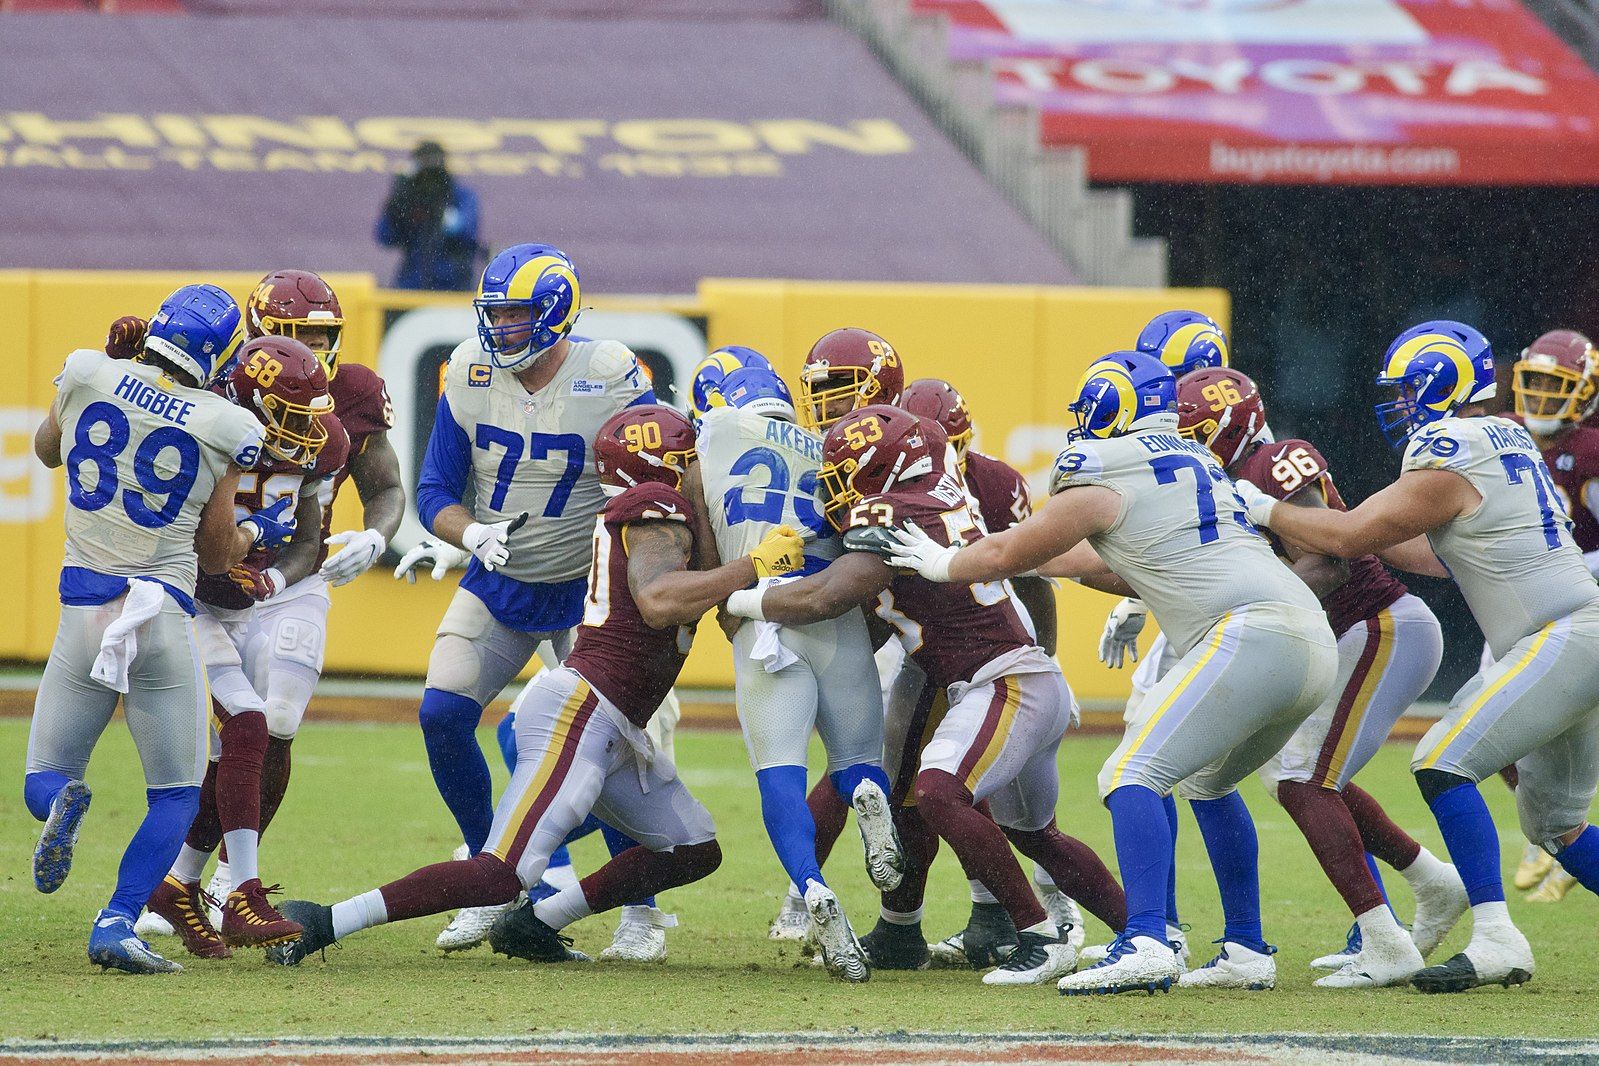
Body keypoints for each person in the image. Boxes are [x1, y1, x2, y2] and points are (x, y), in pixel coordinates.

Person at [270, 406, 806, 966]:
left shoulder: (665, 509)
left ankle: (536, 924)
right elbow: (657, 600)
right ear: (666, 464)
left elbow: (698, 585)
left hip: (613, 718)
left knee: (692, 849)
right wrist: (754, 566)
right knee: (501, 873)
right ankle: (326, 919)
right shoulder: (657, 506)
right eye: (689, 456)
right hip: (583, 711)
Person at [881, 350, 1338, 996]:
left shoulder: (1101, 464)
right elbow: (1127, 565)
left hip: (1249, 633)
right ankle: (1243, 948)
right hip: (1307, 638)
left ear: (1111, 404)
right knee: (1205, 784)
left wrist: (940, 562)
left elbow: (1015, 548)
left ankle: (1148, 938)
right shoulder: (1193, 462)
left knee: (1128, 773)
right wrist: (1043, 566)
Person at [1236, 320, 1599, 993]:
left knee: (1440, 759)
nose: (1397, 401)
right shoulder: (1503, 435)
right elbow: (1432, 554)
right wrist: (1340, 531)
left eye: (1406, 386)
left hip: (1562, 633)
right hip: (1572, 631)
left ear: (1440, 379)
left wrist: (1264, 509)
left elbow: (1348, 535)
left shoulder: (1450, 444)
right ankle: (1491, 932)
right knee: (1557, 825)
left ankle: (1495, 937)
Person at [725, 404, 1126, 987]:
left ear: (886, 469)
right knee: (1036, 834)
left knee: (937, 792)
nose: (839, 488)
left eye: (848, 472)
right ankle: (1148, 932)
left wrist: (741, 597)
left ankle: (1037, 935)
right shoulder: (931, 499)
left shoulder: (891, 514)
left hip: (1005, 683)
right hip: (1018, 679)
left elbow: (826, 598)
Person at [393, 243, 656, 951]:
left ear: (556, 313)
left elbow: (657, 477)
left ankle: (641, 909)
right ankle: (490, 878)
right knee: (442, 712)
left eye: (515, 316)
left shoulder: (610, 375)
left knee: (607, 756)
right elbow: (434, 493)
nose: (500, 329)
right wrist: (469, 532)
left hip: (590, 592)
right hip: (500, 574)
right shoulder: (472, 373)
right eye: (496, 315)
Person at [1176, 366, 1466, 987]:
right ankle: (1431, 881)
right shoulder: (1224, 476)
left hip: (1378, 626)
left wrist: (1249, 603)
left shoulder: (1275, 461)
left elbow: (1328, 563)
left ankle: (1386, 941)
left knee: (1306, 780)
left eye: (1198, 431)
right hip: (1347, 636)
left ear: (1232, 424)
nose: (1189, 444)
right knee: (1296, 780)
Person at [25, 284, 284, 973]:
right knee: (174, 792)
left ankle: (61, 805)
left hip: (83, 607)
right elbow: (214, 553)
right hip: (162, 618)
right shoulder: (227, 423)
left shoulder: (86, 370)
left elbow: (47, 450)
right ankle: (115, 921)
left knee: (42, 778)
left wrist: (91, 382)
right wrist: (260, 530)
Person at [693, 359, 902, 982]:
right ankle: (867, 797)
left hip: (764, 620)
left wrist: (722, 606)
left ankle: (811, 887)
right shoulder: (829, 444)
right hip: (832, 610)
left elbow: (703, 532)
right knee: (858, 763)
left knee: (780, 777)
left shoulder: (714, 435)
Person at [141, 337, 345, 958]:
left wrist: (272, 577)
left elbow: (308, 538)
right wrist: (228, 565)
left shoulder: (320, 440)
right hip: (184, 598)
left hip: (239, 597)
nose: (306, 430)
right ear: (249, 405)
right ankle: (229, 892)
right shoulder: (206, 434)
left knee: (253, 731)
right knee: (243, 730)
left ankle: (188, 887)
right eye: (288, 413)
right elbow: (181, 546)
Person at [1498, 330, 1599, 902]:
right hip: (1527, 608)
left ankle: (1563, 835)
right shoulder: (1508, 437)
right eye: (1532, 382)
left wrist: (1572, 566)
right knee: (1492, 723)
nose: (1539, 396)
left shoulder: (1587, 450)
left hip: (1583, 605)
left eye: (1553, 385)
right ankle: (1547, 830)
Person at [375, 141, 482, 291]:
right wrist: (397, 207)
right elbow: (385, 237)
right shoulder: (408, 196)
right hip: (412, 283)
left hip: (454, 285)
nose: (429, 178)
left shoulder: (460, 195)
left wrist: (439, 213)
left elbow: (467, 232)